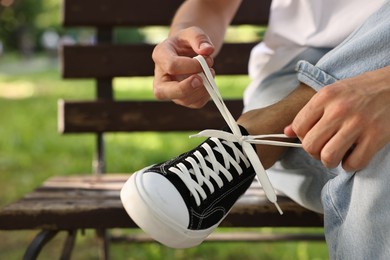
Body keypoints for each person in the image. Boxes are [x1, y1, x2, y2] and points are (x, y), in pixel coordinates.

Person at [120, 0, 390, 258]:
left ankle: (254, 136)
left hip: (280, 132)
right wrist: (183, 40)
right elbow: (211, 4)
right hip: (289, 81)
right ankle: (265, 128)